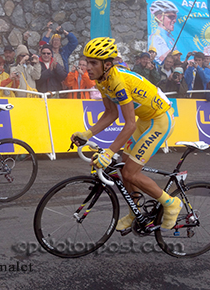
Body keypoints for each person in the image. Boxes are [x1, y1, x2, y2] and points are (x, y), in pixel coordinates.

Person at [71, 37, 181, 232]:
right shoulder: (102, 81)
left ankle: (171, 203)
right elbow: (111, 114)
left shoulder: (118, 82)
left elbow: (129, 125)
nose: (88, 67)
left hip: (160, 121)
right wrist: (87, 133)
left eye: (93, 63)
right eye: (87, 62)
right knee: (124, 169)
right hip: (144, 120)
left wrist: (108, 153)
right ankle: (136, 212)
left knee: (131, 172)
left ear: (107, 64)